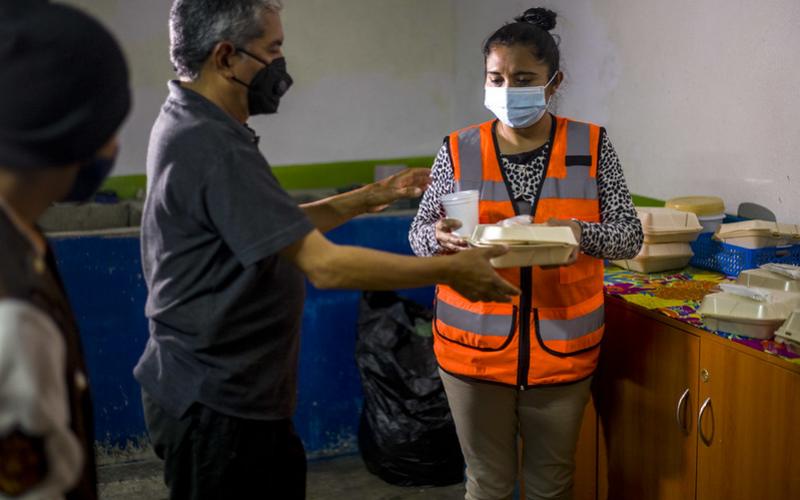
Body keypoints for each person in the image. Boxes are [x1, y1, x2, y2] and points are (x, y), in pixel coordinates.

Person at [133, 1, 520, 499]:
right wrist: (453, 271)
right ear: (227, 57)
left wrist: (371, 196)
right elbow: (325, 265)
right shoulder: (211, 144)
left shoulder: (194, 122)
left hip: (232, 396)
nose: (280, 65)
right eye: (272, 49)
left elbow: (274, 226)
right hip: (216, 405)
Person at [409, 7, 643, 500]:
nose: (508, 89)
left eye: (523, 78)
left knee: (550, 486)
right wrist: (440, 237)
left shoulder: (592, 145)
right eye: (496, 78)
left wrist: (573, 233)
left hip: (563, 352)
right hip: (471, 354)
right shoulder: (458, 148)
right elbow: (418, 235)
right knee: (488, 484)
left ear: (553, 82)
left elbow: (628, 237)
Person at [0, 2, 131, 499]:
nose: (114, 146)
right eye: (109, 126)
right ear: (67, 129)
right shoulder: (14, 317)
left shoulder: (20, 236)